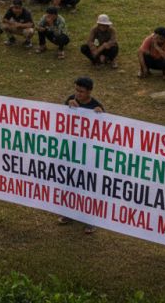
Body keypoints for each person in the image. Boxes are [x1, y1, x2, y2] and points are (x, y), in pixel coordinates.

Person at [58, 77, 104, 234]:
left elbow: (104, 131)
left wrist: (100, 115)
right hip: (72, 151)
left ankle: (89, 220)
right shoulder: (70, 101)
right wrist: (68, 108)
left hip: (88, 154)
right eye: (76, 90)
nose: (77, 94)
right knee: (70, 183)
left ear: (89, 92)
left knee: (86, 186)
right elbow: (61, 122)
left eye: (81, 91)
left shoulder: (96, 106)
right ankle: (68, 213)